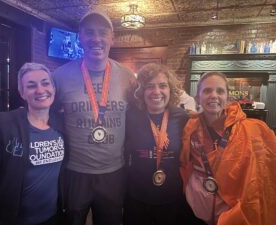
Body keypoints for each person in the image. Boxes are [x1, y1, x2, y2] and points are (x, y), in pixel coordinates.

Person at [52, 9, 135, 225]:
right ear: (80, 38)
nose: (96, 39)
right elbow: (43, 112)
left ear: (112, 38)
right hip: (75, 173)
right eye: (89, 33)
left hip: (114, 173)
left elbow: (146, 111)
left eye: (102, 33)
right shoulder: (59, 76)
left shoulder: (127, 77)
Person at [180, 71, 276, 225]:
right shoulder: (189, 128)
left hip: (233, 211)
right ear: (198, 98)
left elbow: (265, 173)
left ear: (227, 97)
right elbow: (185, 164)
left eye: (220, 91)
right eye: (207, 91)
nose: (213, 95)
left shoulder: (252, 130)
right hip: (196, 211)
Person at [0, 63, 65, 225]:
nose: (40, 90)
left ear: (53, 88)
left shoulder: (62, 124)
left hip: (53, 217)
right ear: (22, 93)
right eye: (31, 86)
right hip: (14, 219)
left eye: (45, 83)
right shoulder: (4, 124)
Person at [123, 63, 205, 225]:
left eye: (163, 86)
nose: (156, 92)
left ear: (170, 89)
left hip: (172, 199)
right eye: (149, 87)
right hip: (136, 198)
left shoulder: (183, 118)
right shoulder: (130, 117)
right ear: (141, 91)